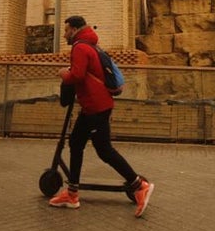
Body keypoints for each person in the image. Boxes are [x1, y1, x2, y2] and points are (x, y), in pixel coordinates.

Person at [48, 15, 155, 217]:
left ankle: (139, 185)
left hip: (96, 107)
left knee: (104, 150)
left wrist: (63, 73)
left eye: (66, 30)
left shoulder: (80, 47)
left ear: (74, 29)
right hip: (92, 106)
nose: (64, 35)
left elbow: (77, 75)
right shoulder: (91, 45)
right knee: (76, 142)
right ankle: (72, 193)